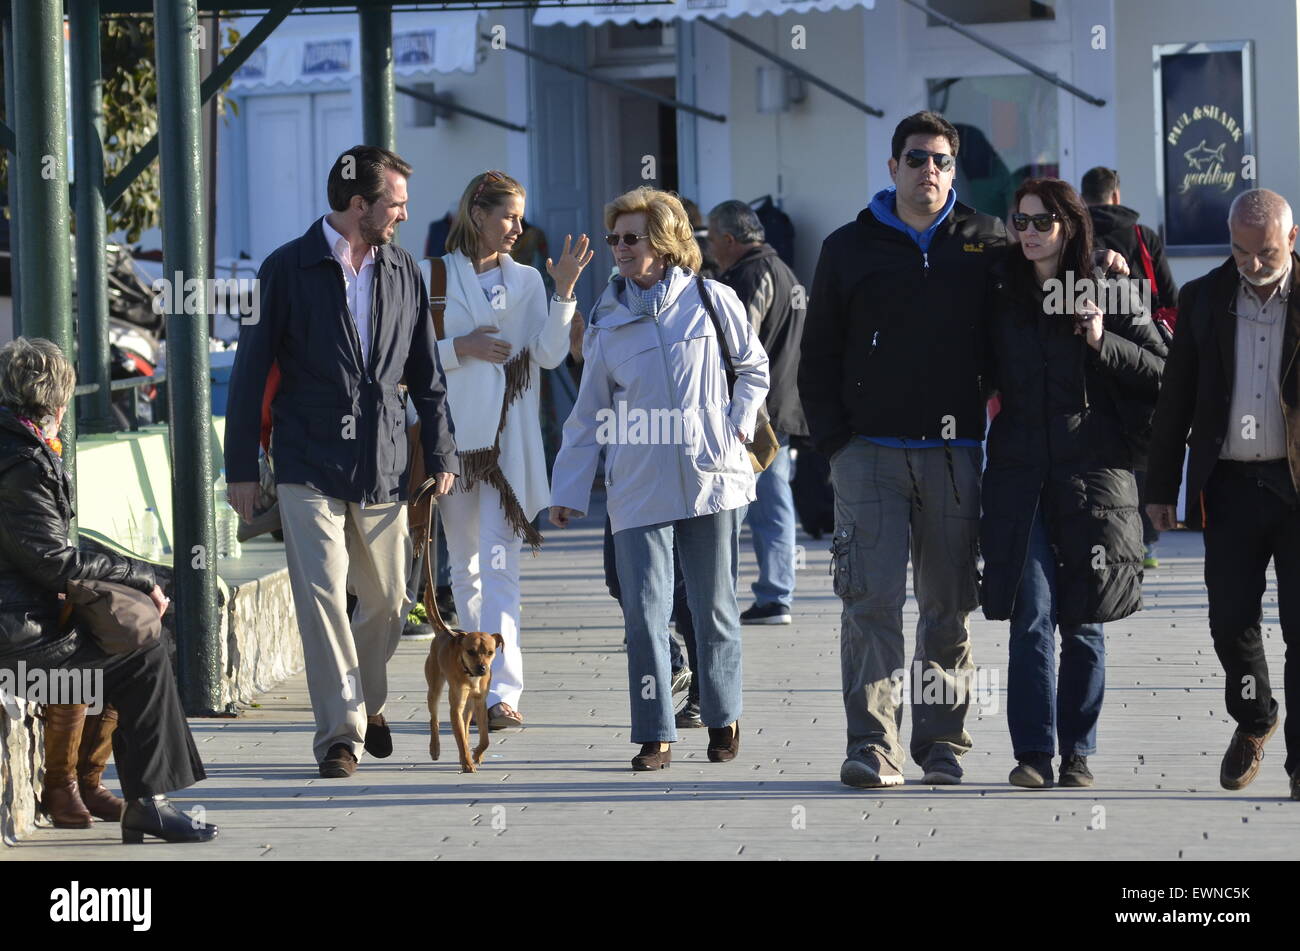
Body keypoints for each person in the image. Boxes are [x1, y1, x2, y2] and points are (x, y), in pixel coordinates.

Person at [224, 145, 459, 779]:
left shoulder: (406, 270)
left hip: (381, 459)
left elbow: (427, 374)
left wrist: (440, 450)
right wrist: (241, 466)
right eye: (397, 203)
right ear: (360, 205)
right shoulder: (284, 268)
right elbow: (249, 373)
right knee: (323, 594)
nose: (405, 214)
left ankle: (367, 702)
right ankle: (339, 736)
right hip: (305, 459)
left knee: (387, 599)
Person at [799, 111, 1005, 789]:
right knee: (870, 602)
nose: (930, 172)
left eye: (942, 161)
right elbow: (819, 352)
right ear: (893, 168)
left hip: (955, 455)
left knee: (948, 605)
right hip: (869, 455)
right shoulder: (847, 247)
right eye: (917, 159)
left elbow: (1024, 320)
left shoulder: (985, 242)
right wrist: (837, 444)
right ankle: (872, 743)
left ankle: (942, 741)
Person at [550, 186, 769, 770]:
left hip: (712, 476)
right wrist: (567, 490)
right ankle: (655, 732)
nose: (619, 249)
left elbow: (753, 369)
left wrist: (737, 426)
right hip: (638, 484)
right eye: (614, 238)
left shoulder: (713, 299)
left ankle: (723, 718)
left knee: (713, 605)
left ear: (665, 242)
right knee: (644, 614)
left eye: (632, 238)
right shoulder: (606, 317)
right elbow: (590, 411)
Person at [983, 179, 1166, 789]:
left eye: (1042, 222)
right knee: (1029, 612)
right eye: (1021, 221)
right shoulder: (1001, 288)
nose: (1029, 232)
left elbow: (1163, 372)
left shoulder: (1108, 285)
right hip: (1020, 474)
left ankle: (1078, 753)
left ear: (1069, 226)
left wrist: (1100, 339)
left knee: (1084, 617)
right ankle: (1034, 753)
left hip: (1094, 475)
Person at [0, 337, 214, 843]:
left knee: (127, 632)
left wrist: (141, 575)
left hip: (18, 623)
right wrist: (143, 578)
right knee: (141, 650)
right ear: (57, 401)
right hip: (18, 642)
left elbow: (46, 548)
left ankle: (110, 790)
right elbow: (52, 560)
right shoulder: (22, 463)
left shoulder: (17, 447)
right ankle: (146, 803)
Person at [1146, 188, 1300, 802]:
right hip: (1230, 487)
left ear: (1291, 238)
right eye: (1241, 251)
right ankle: (1256, 717)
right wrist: (1159, 488)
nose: (1253, 264)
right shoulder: (1205, 296)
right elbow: (1174, 397)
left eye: (1265, 252)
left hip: (1295, 489)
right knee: (1229, 622)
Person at [432, 170, 592, 730]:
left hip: (505, 449)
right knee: (464, 566)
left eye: (520, 217)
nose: (518, 227)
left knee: (501, 567)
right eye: (508, 215)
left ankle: (503, 693)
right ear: (477, 213)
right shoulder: (435, 276)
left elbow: (548, 355)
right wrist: (460, 348)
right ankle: (472, 681)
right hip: (451, 446)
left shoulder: (526, 280)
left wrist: (565, 292)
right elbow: (409, 356)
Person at [708, 199, 807, 625]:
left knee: (749, 506)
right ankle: (774, 594)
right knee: (771, 500)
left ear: (729, 240)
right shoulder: (782, 270)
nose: (708, 248)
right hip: (779, 406)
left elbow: (735, 350)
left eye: (711, 239)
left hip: (755, 415)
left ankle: (766, 596)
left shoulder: (751, 275)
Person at [1082, 166, 1180, 568]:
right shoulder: (1143, 237)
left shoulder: (1075, 237)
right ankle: (1145, 541)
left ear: (1084, 198)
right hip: (1139, 352)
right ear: (1116, 196)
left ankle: (1103, 535)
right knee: (1140, 445)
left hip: (1091, 351)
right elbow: (1169, 299)